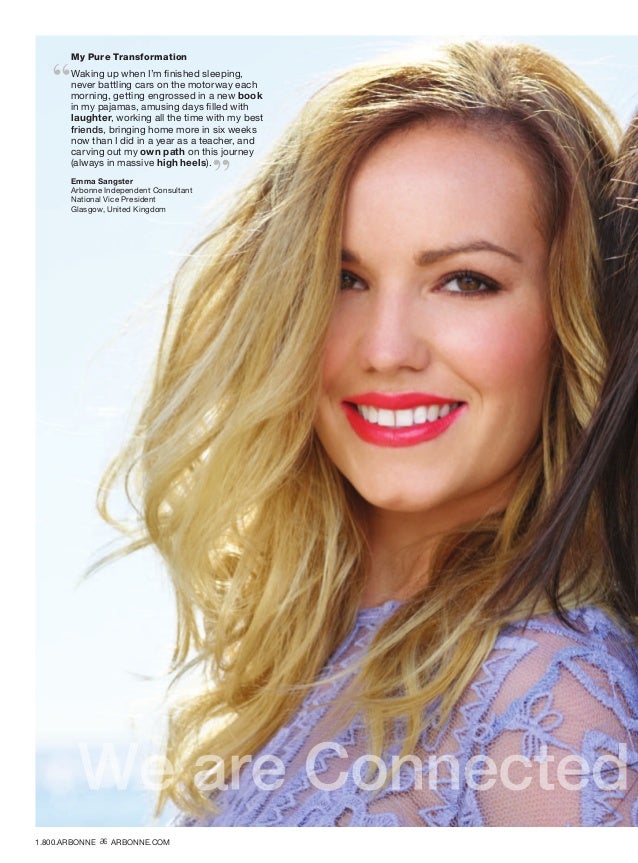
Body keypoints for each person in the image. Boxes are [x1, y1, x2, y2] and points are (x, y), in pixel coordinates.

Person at [98, 41, 638, 826]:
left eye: (466, 281)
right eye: (343, 278)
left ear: (571, 320)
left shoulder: (553, 706)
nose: (385, 348)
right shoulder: (299, 660)